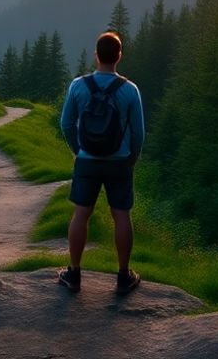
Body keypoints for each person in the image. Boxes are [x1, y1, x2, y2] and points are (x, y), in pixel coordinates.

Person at [57, 30, 145, 295]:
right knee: (121, 216)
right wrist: (132, 159)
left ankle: (73, 274)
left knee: (81, 214)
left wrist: (78, 150)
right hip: (119, 162)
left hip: (87, 161)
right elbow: (139, 133)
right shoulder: (130, 90)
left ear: (96, 56)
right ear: (119, 56)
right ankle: (123, 276)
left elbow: (66, 123)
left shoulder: (77, 85)